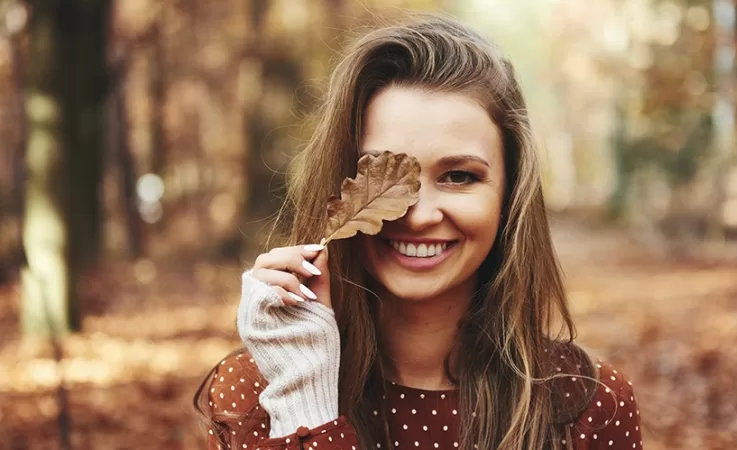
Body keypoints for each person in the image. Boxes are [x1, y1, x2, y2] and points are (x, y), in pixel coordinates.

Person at [195, 13, 643, 450]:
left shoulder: (589, 405)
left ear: (509, 196)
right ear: (340, 187)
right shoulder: (258, 392)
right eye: (380, 174)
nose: (418, 215)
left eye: (459, 176)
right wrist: (304, 398)